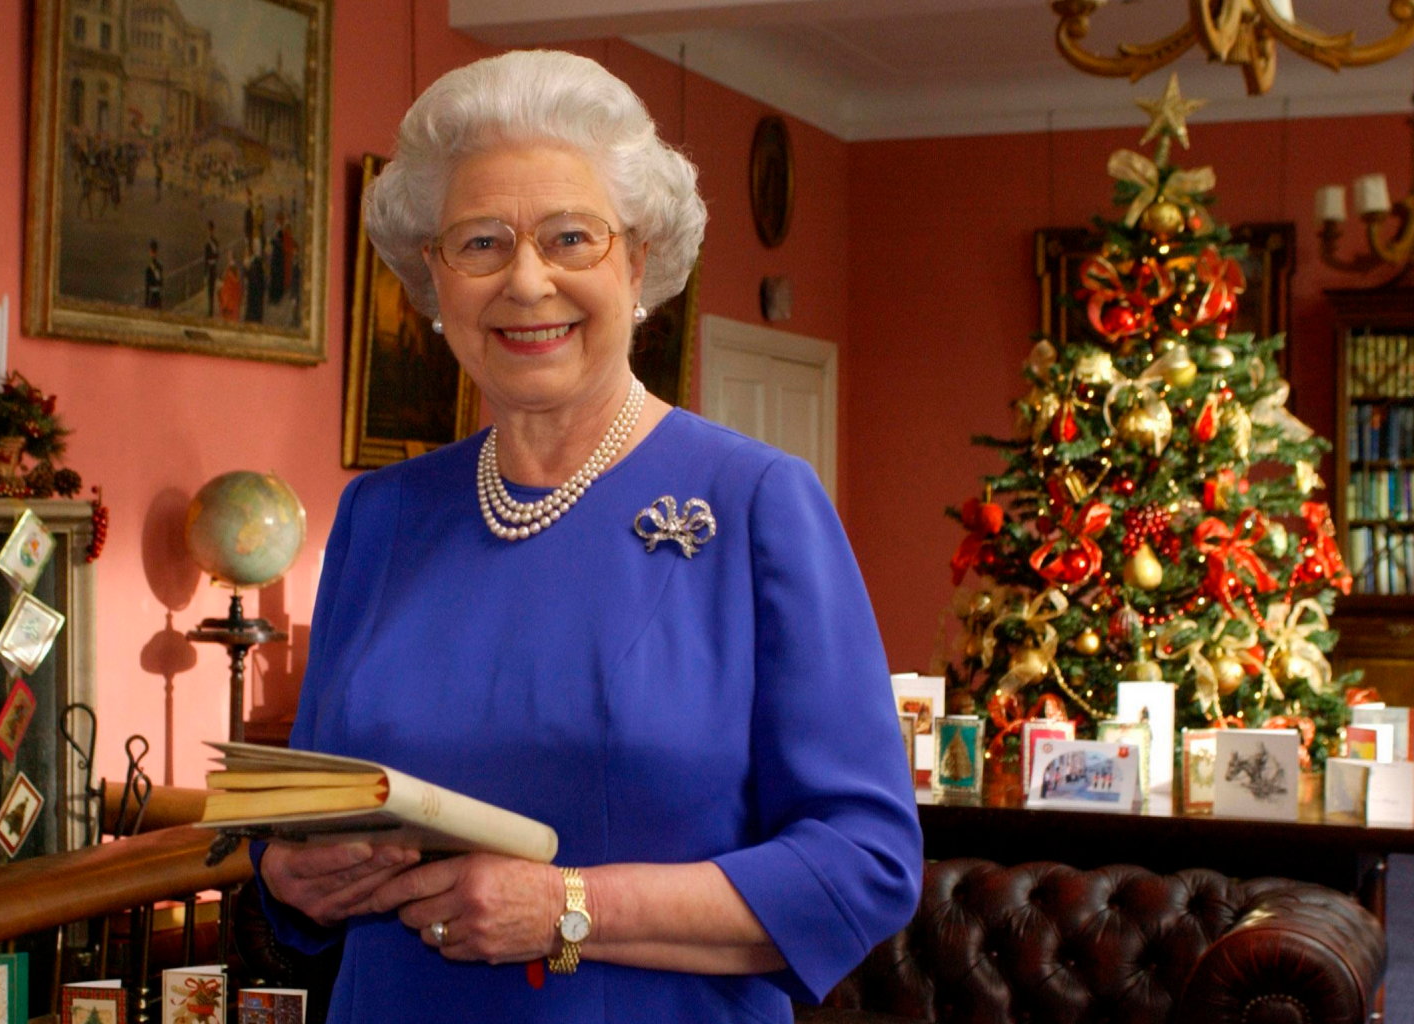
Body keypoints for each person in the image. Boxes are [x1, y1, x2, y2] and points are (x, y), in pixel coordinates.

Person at [253, 50, 920, 1024]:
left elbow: (862, 866)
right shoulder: (381, 514)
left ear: (639, 261)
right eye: (481, 243)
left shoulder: (756, 502)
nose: (527, 282)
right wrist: (292, 872)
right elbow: (303, 821)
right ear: (433, 280)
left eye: (571, 237)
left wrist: (567, 909)